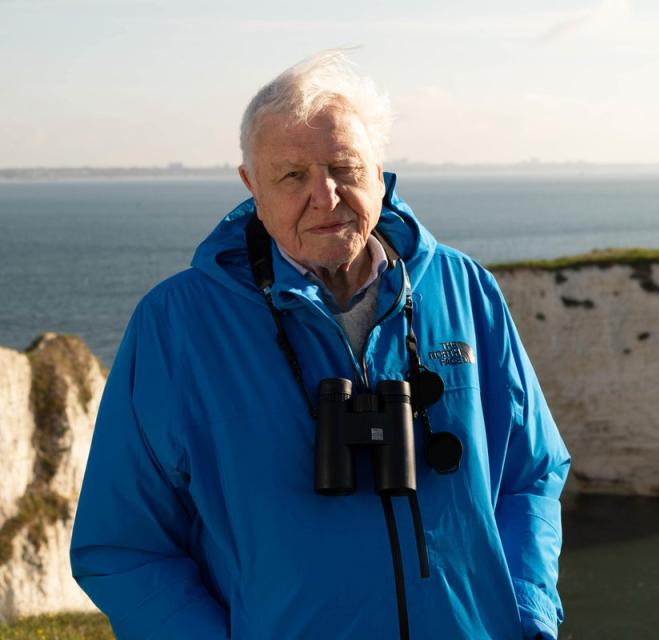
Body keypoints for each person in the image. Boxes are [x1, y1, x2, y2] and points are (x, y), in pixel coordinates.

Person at [70, 51, 570, 640]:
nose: (326, 196)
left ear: (380, 172)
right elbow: (124, 545)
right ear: (251, 187)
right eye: (292, 176)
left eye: (344, 167)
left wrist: (527, 612)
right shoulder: (177, 324)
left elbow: (531, 473)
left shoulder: (464, 291)